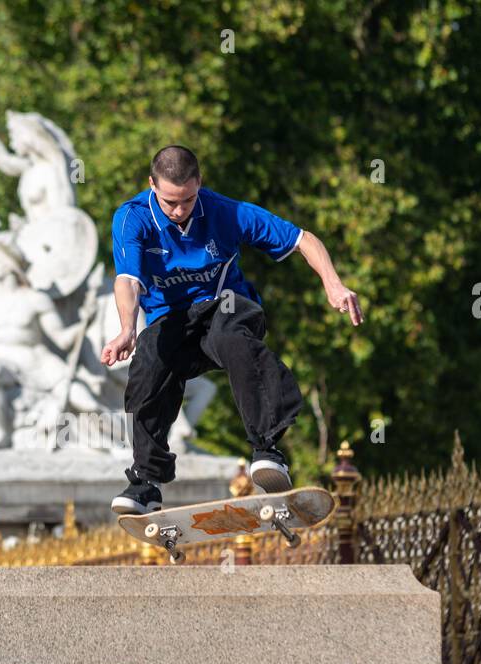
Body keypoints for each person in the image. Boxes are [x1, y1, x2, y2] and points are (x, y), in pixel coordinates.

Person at [100, 145, 363, 514]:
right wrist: (127, 328)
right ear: (151, 186)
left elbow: (303, 239)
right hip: (171, 318)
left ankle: (268, 450)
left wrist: (333, 283)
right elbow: (127, 279)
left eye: (188, 200)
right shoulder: (132, 218)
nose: (178, 211)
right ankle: (146, 481)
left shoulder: (226, 211)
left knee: (231, 338)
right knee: (147, 365)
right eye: (169, 202)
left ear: (199, 184)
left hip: (227, 306)